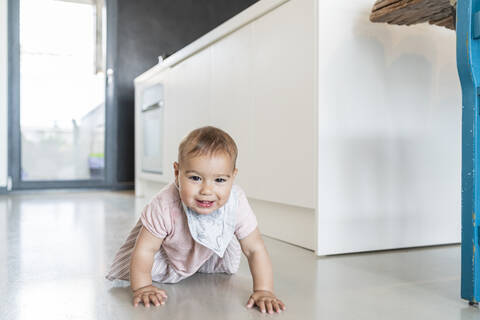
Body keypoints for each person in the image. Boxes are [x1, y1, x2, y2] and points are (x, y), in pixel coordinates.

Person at [106, 126, 286, 314]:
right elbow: (145, 249)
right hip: (169, 254)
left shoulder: (236, 202)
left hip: (209, 252)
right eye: (195, 178)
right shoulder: (164, 205)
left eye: (220, 180)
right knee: (146, 265)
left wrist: (264, 290)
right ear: (177, 173)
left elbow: (254, 248)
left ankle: (202, 260)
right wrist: (142, 287)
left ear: (233, 177)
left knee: (232, 247)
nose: (207, 191)